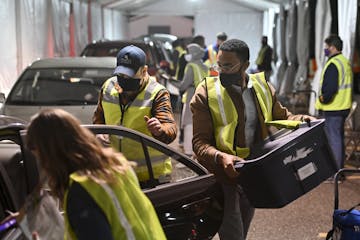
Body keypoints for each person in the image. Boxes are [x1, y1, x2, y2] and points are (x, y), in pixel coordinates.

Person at [190, 39, 315, 240]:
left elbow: (282, 117)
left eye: (228, 66)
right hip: (222, 177)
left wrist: (301, 120)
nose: (221, 71)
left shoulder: (262, 87)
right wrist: (221, 157)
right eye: (218, 65)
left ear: (245, 65)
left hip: (252, 173)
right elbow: (199, 143)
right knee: (234, 235)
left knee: (242, 232)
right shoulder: (205, 93)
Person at [26, 108, 166, 239]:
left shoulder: (81, 190)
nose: (43, 165)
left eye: (41, 157)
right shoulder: (117, 165)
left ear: (52, 153)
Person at [93, 45, 177, 185]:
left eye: (129, 75)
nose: (124, 79)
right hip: (117, 174)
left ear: (144, 71)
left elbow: (171, 129)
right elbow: (98, 118)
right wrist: (100, 133)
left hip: (150, 177)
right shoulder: (108, 87)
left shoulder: (157, 93)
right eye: (120, 74)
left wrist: (160, 130)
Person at [315, 35, 353, 171]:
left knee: (333, 141)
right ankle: (339, 171)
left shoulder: (333, 64)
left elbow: (330, 88)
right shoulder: (345, 61)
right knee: (338, 139)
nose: (325, 50)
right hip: (343, 106)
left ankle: (335, 172)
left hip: (333, 107)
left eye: (326, 47)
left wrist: (323, 98)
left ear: (332, 47)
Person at [176, 43, 208, 156]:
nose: (187, 55)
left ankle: (189, 152)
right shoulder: (204, 66)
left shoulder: (191, 66)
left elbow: (184, 85)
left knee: (189, 123)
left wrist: (178, 86)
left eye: (188, 53)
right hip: (204, 96)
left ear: (193, 53)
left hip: (191, 96)